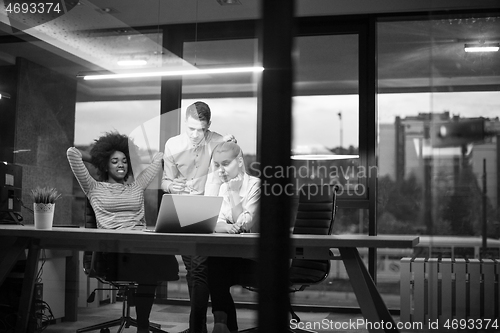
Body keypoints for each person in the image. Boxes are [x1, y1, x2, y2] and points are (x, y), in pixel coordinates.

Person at [67, 132, 179, 333]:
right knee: (149, 265)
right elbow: (72, 154)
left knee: (153, 258)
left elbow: (158, 158)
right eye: (115, 161)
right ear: (105, 165)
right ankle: (143, 322)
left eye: (125, 161)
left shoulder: (136, 187)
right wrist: (100, 157)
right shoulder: (93, 187)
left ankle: (142, 324)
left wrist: (133, 157)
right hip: (113, 250)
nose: (121, 165)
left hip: (140, 245)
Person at [161, 101, 227, 333]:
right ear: (184, 125)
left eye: (201, 129)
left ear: (209, 126)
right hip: (182, 210)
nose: (196, 134)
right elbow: (165, 181)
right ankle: (200, 326)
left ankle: (196, 328)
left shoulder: (220, 142)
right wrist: (172, 187)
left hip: (210, 209)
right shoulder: (173, 145)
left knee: (199, 268)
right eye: (191, 129)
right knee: (193, 270)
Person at [206, 141, 260, 333]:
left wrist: (236, 193)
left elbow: (245, 224)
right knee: (214, 262)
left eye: (225, 164)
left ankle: (221, 324)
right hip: (231, 257)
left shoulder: (255, 185)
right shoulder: (223, 187)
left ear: (239, 161)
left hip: (256, 259)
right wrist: (228, 227)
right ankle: (222, 324)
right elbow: (216, 223)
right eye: (217, 165)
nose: (221, 170)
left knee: (215, 267)